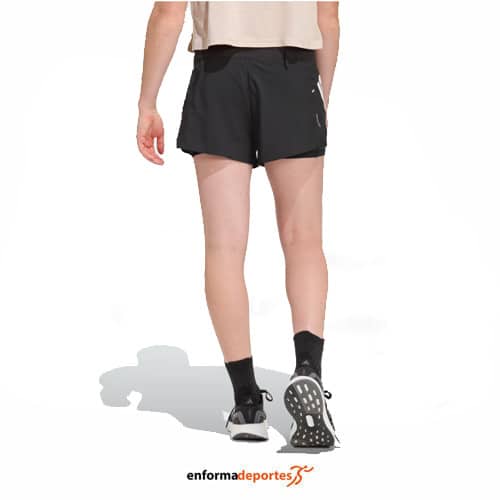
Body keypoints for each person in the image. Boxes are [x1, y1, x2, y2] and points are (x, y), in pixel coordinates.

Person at [136, 1, 340, 449]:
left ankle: (246, 404)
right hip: (292, 72)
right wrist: (321, 95)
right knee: (303, 240)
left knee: (224, 248)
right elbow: (327, 16)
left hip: (219, 75)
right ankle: (308, 369)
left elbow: (168, 13)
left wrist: (147, 102)